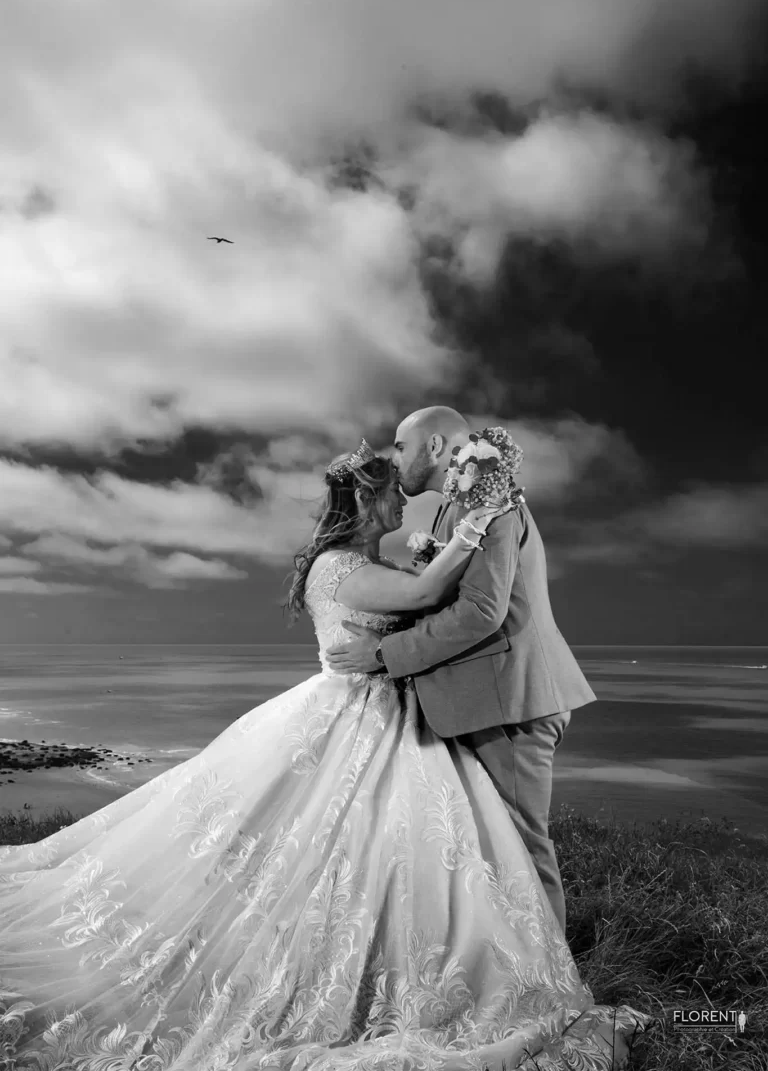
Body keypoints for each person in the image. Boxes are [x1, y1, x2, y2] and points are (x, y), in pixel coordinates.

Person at [0, 442, 648, 1070]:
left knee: (392, 851)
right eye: (393, 495)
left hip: (389, 712)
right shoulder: (338, 567)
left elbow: (421, 598)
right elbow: (425, 594)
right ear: (366, 500)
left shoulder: (363, 561)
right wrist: (473, 529)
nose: (403, 505)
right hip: (356, 711)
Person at [326, 407, 597, 935]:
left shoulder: (489, 501)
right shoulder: (454, 506)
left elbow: (480, 612)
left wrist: (383, 653)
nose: (393, 457)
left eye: (400, 446)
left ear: (434, 446)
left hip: (510, 700)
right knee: (489, 849)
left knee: (520, 849)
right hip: (483, 699)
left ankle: (554, 975)